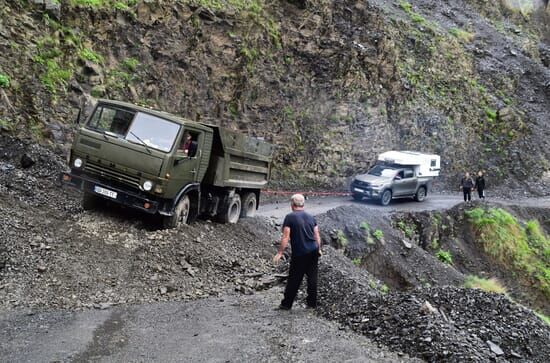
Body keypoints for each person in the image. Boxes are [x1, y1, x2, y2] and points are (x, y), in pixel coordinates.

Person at [273, 194, 322, 310]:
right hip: (313, 250)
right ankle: (312, 304)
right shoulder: (311, 217)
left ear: (292, 204)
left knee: (294, 279)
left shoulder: (290, 217)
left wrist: (280, 253)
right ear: (303, 204)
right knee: (312, 277)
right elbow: (317, 235)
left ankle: (286, 304)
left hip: (300, 252)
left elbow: (285, 237)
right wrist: (319, 249)